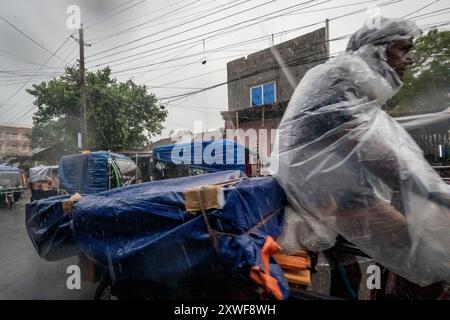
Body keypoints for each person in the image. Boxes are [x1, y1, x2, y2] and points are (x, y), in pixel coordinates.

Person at [273, 17, 450, 298]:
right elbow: (366, 146)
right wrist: (428, 188)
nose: (410, 60)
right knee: (420, 246)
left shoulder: (350, 80)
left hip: (336, 189)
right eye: (404, 49)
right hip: (324, 195)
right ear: (377, 49)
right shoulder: (343, 76)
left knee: (355, 269)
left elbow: (375, 142)